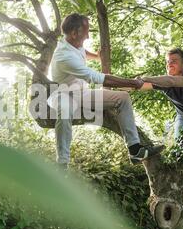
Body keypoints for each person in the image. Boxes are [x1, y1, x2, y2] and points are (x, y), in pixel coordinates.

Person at [48, 13, 163, 169]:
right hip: (62, 94)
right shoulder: (63, 57)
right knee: (65, 109)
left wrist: (96, 56)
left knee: (123, 98)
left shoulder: (73, 42)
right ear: (74, 33)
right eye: (86, 31)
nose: (88, 36)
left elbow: (82, 50)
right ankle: (62, 163)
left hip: (81, 93)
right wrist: (133, 83)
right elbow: (100, 78)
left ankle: (135, 150)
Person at [139, 48, 183, 204]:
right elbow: (138, 86)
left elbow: (172, 81)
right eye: (167, 62)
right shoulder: (165, 83)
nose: (169, 64)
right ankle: (174, 190)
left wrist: (146, 78)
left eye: (174, 61)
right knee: (181, 153)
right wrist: (113, 83)